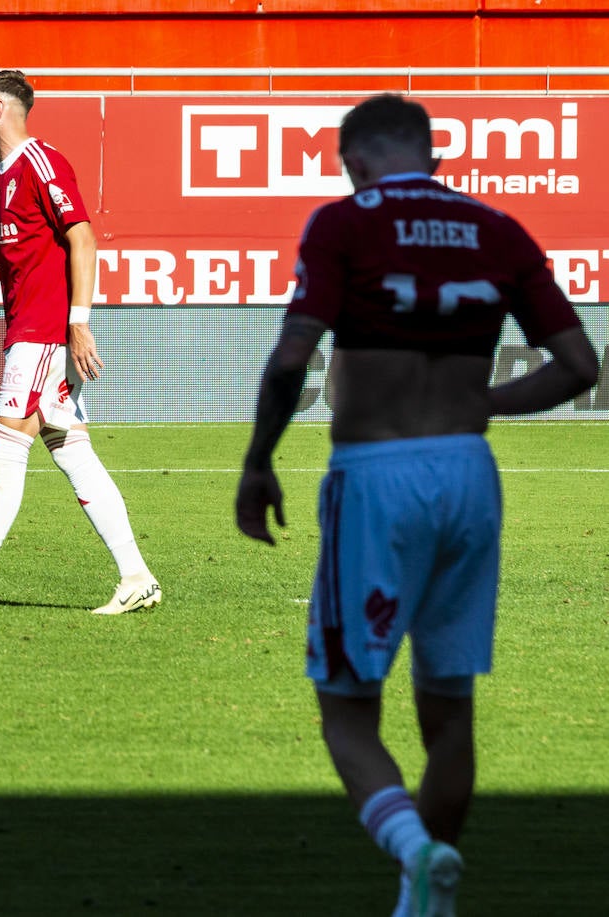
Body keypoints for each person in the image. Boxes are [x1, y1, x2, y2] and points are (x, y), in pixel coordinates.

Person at [235, 93, 598, 917]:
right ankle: (424, 898)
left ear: (354, 163)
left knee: (347, 709)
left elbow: (295, 353)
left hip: (375, 472)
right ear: (433, 159)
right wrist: (486, 405)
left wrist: (258, 461)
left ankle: (412, 848)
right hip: (470, 473)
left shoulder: (344, 222)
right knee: (450, 704)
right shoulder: (497, 230)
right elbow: (579, 364)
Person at [0, 70, 161, 616]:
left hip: (42, 331)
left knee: (6, 444)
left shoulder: (42, 162)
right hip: (29, 331)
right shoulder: (1, 174)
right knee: (73, 452)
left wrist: (78, 321)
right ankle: (137, 577)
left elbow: (83, 236)